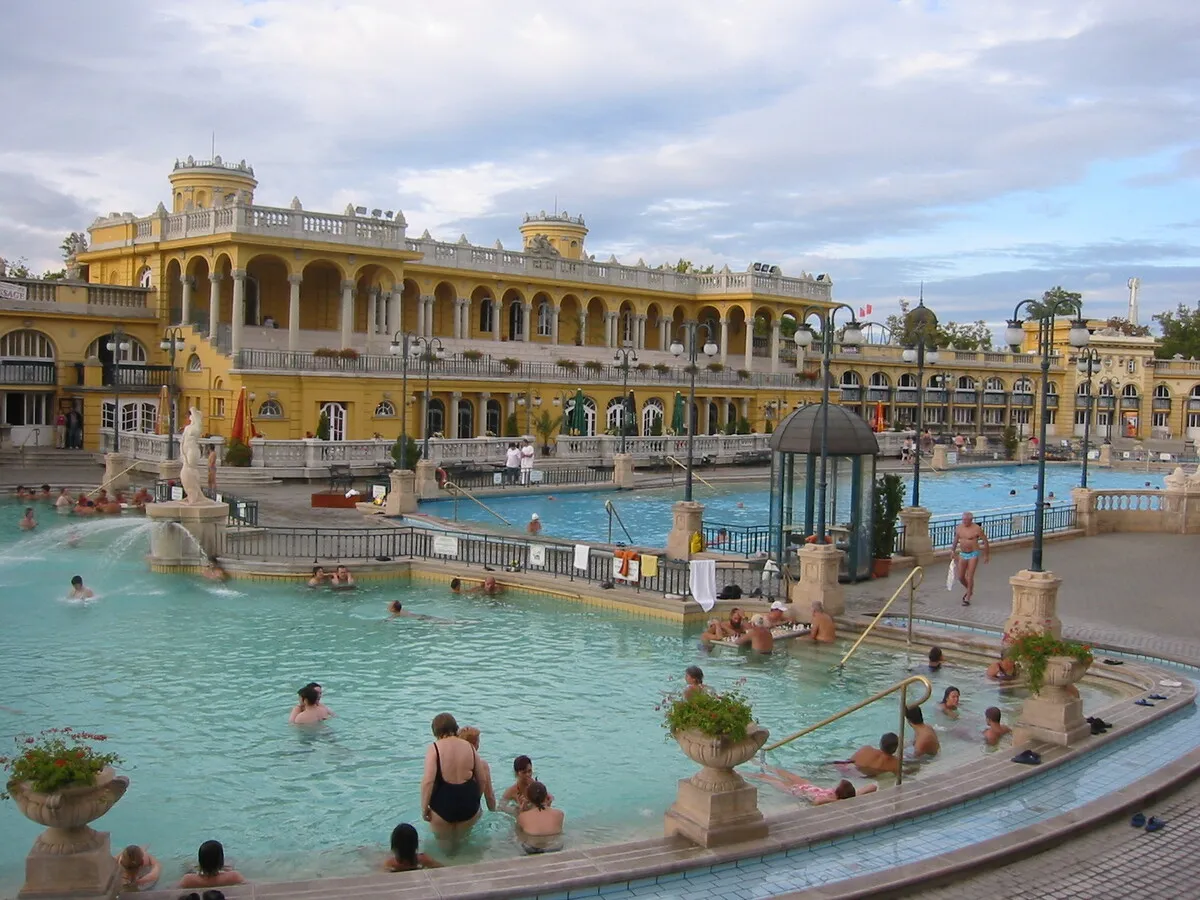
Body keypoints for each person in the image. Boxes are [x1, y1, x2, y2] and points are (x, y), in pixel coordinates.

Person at [421, 713, 485, 839]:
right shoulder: (469, 747)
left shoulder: (434, 748)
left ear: (435, 732)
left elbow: (428, 782)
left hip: (443, 803)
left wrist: (424, 810)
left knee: (445, 850)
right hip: (468, 803)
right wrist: (476, 799)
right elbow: (482, 779)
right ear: (455, 728)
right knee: (465, 843)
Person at [750, 766, 875, 805]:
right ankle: (759, 764)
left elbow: (817, 801)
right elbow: (873, 786)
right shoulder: (845, 797)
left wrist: (835, 802)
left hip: (799, 791)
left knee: (768, 778)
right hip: (807, 786)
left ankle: (746, 772)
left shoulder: (831, 800)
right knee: (782, 773)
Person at [950, 511, 990, 606]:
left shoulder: (976, 528)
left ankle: (967, 597)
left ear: (971, 520)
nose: (964, 522)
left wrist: (986, 555)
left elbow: (985, 541)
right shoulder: (959, 528)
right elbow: (956, 540)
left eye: (966, 520)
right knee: (960, 577)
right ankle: (969, 589)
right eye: (963, 520)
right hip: (963, 554)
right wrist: (952, 551)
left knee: (970, 576)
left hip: (973, 554)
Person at [516, 781, 564, 854]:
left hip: (531, 848)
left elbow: (518, 832)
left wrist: (522, 810)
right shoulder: (559, 814)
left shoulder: (522, 816)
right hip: (555, 847)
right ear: (546, 796)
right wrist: (548, 805)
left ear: (528, 799)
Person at [457, 726, 498, 813]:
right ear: (475, 744)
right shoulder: (482, 766)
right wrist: (494, 811)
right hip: (473, 812)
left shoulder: (451, 764)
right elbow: (489, 797)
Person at [178, 839, 245, 889]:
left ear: (200, 861)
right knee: (231, 862)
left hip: (198, 873)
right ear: (221, 861)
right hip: (223, 872)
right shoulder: (234, 877)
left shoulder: (188, 880)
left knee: (187, 865)